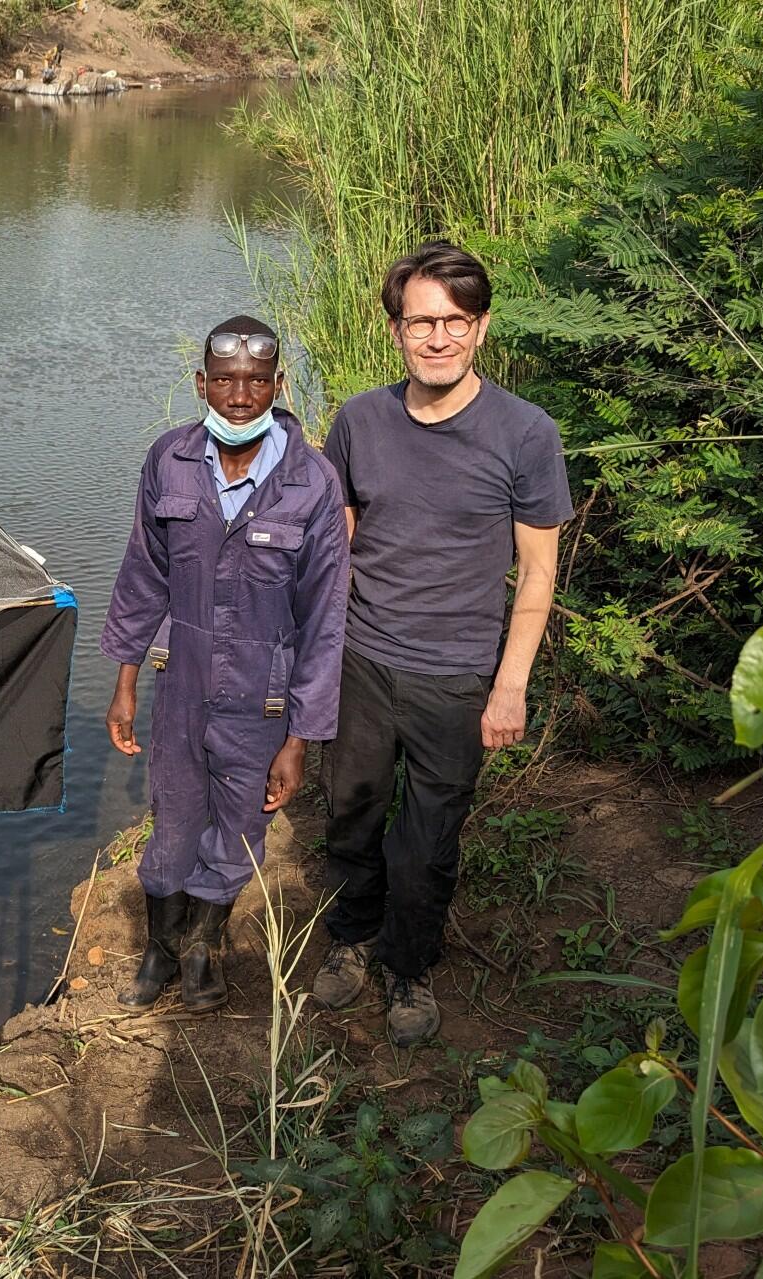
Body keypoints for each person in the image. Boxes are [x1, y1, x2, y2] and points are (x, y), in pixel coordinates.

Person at [314, 241, 574, 1046]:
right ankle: (352, 937)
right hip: (362, 658)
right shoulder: (359, 419)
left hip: (458, 673)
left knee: (427, 841)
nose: (438, 338)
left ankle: (408, 965)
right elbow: (337, 548)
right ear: (395, 329)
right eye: (421, 321)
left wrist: (511, 684)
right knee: (351, 817)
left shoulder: (525, 434)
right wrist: (310, 658)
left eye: (455, 322)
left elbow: (536, 574)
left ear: (482, 328)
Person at [101, 316, 350, 1012]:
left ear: (278, 384)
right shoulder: (169, 461)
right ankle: (161, 949)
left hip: (262, 700)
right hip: (180, 687)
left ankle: (205, 946)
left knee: (238, 828)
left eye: (256, 381)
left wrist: (300, 740)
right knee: (173, 819)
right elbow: (141, 576)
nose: (240, 395)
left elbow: (324, 619)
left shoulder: (313, 480)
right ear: (201, 383)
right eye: (226, 380)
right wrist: (124, 684)